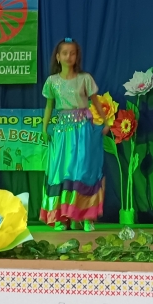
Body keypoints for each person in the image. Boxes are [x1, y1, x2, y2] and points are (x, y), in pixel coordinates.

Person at [40, 37, 108, 231]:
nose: (68, 56)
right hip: (62, 132)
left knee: (83, 170)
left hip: (82, 131)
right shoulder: (52, 82)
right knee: (61, 171)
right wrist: (44, 129)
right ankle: (61, 217)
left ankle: (86, 217)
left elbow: (95, 102)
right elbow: (49, 106)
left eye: (72, 53)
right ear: (58, 57)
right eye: (65, 53)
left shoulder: (85, 79)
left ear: (77, 56)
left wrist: (105, 121)